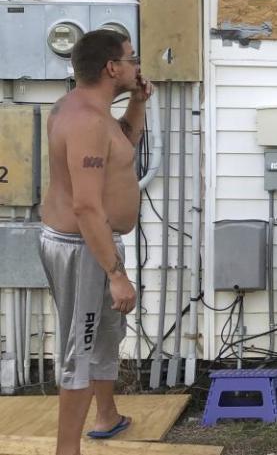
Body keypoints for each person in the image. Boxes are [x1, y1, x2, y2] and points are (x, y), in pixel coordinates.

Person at [39, 29, 153, 455]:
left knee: (105, 335)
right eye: (131, 58)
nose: (136, 65)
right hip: (82, 247)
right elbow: (87, 206)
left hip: (95, 244)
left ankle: (106, 415)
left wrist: (138, 102)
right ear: (111, 68)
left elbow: (123, 147)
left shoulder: (94, 111)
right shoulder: (85, 121)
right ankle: (66, 450)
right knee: (80, 349)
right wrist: (115, 273)